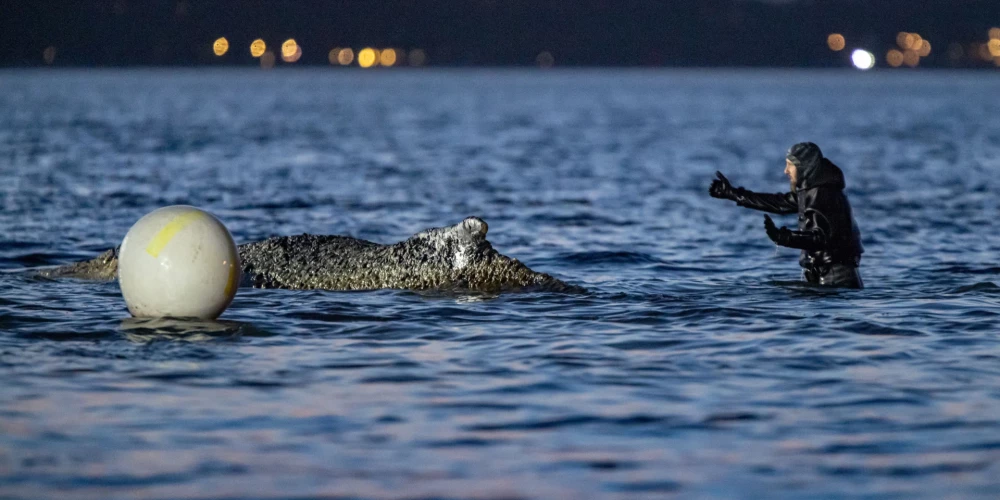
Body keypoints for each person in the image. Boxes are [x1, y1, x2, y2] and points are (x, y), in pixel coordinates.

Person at [708, 142, 864, 289]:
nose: (785, 170)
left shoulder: (823, 194)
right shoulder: (812, 190)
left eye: (790, 165)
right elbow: (778, 203)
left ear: (804, 167)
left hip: (836, 279)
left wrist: (783, 237)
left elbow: (820, 239)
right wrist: (733, 194)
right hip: (827, 276)